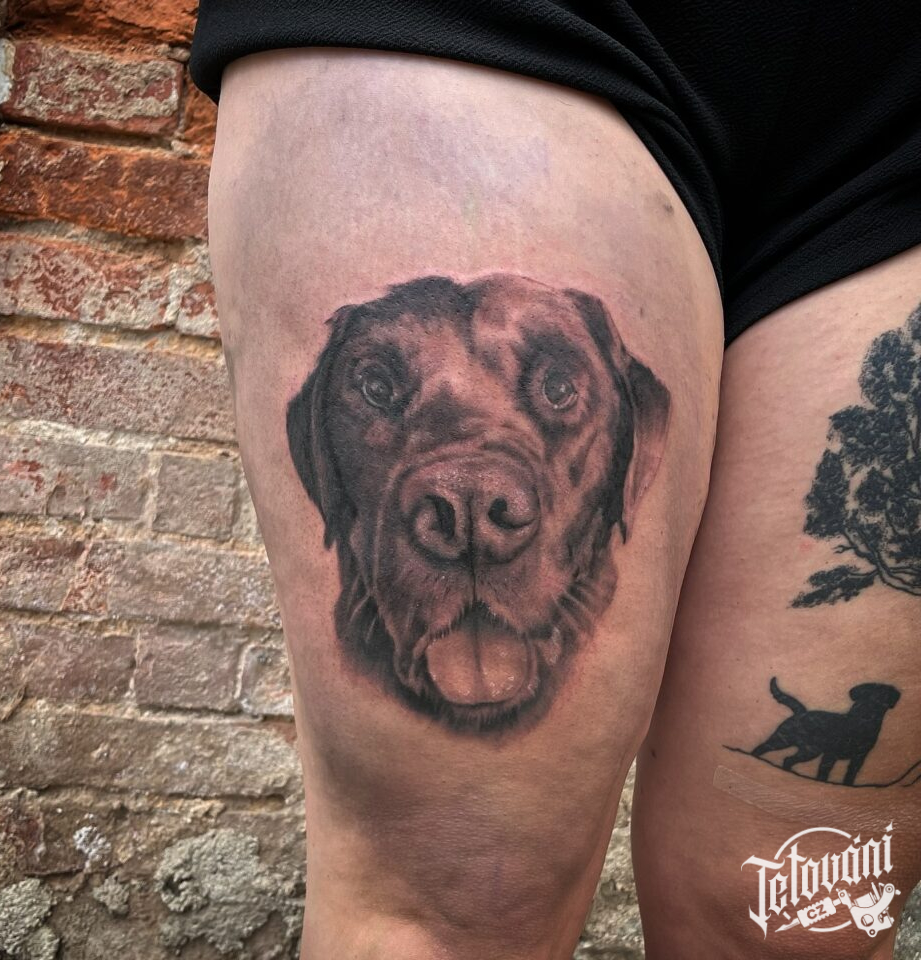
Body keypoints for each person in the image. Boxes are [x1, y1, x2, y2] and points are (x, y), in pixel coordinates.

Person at [190, 3, 921, 957]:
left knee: (787, 921)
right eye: (379, 388)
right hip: (509, 18)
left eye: (559, 389)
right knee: (453, 908)